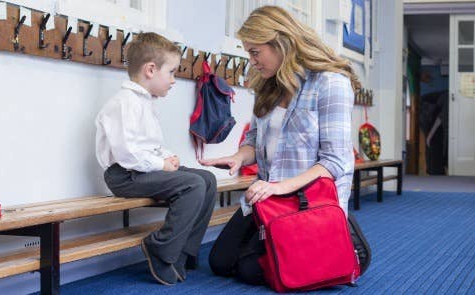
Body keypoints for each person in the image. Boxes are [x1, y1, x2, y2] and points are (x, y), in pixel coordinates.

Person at [200, 6, 359, 285]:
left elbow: (335, 162)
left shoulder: (331, 83)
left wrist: (279, 187)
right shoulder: (267, 84)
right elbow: (253, 140)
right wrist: (239, 157)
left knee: (252, 270)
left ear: (280, 43)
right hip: (268, 197)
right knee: (221, 262)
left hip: (306, 201)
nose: (252, 61)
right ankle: (323, 249)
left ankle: (344, 242)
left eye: (255, 52)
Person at [95, 32, 217, 286]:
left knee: (206, 179)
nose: (174, 80)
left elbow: (150, 145)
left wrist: (166, 157)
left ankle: (183, 251)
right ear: (151, 69)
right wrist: (160, 165)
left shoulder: (146, 102)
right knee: (192, 185)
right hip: (124, 175)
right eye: (171, 72)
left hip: (142, 170)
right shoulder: (124, 103)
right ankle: (161, 248)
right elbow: (127, 154)